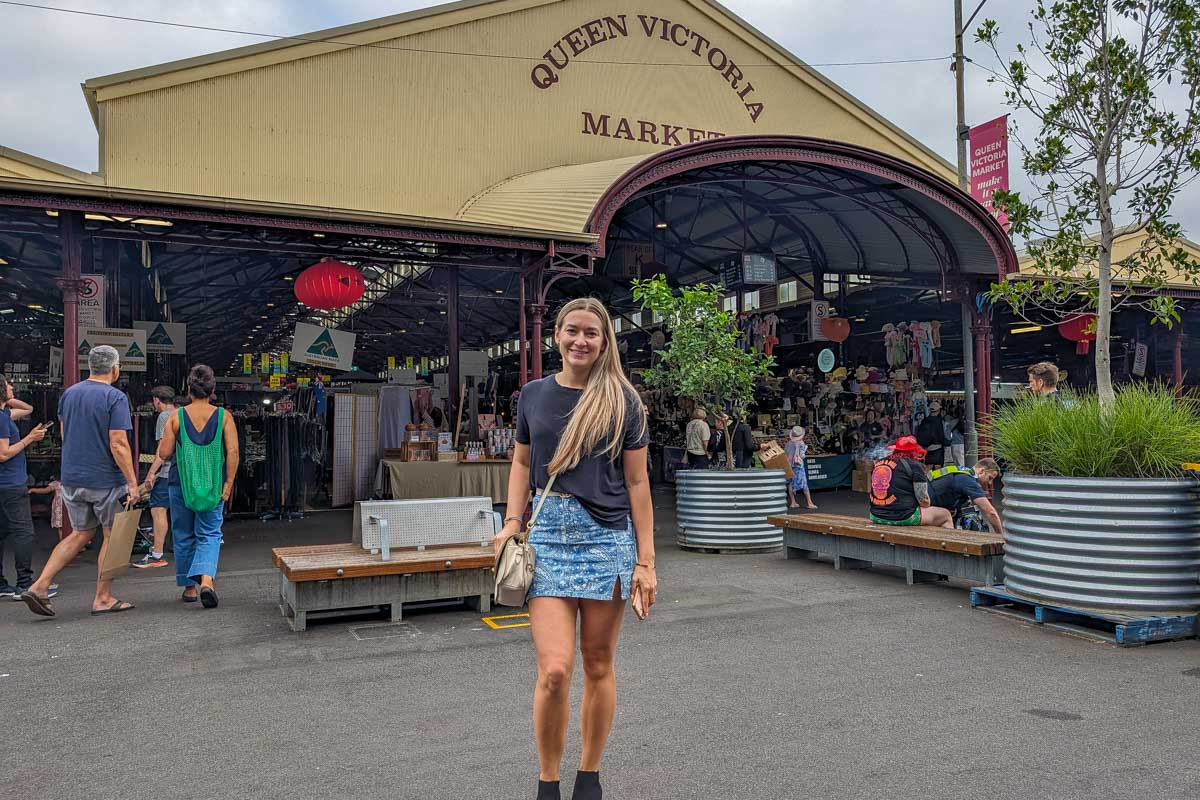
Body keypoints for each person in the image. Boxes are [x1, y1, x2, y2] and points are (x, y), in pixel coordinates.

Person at [493, 297, 654, 800]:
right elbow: (521, 464)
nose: (580, 340)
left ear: (605, 341)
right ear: (555, 336)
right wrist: (511, 520)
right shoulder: (533, 395)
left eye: (591, 333)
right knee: (555, 669)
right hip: (547, 541)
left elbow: (637, 482)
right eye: (571, 331)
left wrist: (646, 562)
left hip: (606, 538)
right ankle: (547, 781)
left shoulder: (623, 400)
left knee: (599, 663)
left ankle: (589, 777)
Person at [22, 346, 139, 617]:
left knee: (80, 533)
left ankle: (40, 585)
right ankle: (103, 597)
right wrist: (132, 482)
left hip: (73, 478)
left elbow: (65, 434)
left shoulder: (70, 394)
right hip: (105, 479)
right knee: (111, 535)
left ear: (90, 367)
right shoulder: (115, 397)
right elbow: (119, 443)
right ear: (115, 368)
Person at [155, 365, 239, 608]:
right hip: (213, 485)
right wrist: (229, 483)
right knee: (210, 534)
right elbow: (233, 451)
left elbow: (164, 452)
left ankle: (190, 588)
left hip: (180, 484)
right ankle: (207, 581)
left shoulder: (175, 417)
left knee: (183, 534)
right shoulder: (224, 417)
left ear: (189, 390)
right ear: (212, 391)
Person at [0, 374, 49, 600]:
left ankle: (1, 583)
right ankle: (24, 583)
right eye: (8, 385)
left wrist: (6, 399)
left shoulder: (5, 414)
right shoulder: (1, 419)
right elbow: (3, 453)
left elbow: (27, 408)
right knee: (23, 531)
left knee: (2, 532)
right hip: (10, 482)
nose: (12, 387)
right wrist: (30, 438)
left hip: (5, 483)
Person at [134, 386, 178, 569]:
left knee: (158, 509)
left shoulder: (164, 417)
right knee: (179, 511)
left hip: (167, 471)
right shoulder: (182, 413)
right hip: (182, 471)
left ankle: (157, 553)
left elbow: (163, 450)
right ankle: (181, 547)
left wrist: (151, 473)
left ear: (156, 400)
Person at [868, 435, 953, 529]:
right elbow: (923, 501)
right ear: (914, 452)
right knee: (946, 515)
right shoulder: (915, 466)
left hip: (875, 515)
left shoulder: (879, 463)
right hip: (903, 516)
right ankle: (946, 542)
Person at [929, 458, 1004, 535]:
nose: (990, 482)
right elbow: (991, 513)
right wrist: (1000, 536)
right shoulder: (968, 481)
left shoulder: (960, 471)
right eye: (990, 478)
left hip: (926, 506)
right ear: (982, 471)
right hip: (927, 511)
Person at [785, 426, 817, 510]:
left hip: (789, 465)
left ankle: (793, 502)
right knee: (804, 483)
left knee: (791, 483)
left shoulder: (788, 444)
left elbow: (785, 454)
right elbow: (802, 456)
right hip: (798, 465)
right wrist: (805, 450)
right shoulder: (801, 443)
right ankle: (809, 503)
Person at [916, 401, 950, 467]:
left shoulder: (924, 420)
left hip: (926, 448)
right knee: (938, 468)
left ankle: (927, 477)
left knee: (928, 467)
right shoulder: (938, 421)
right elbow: (941, 435)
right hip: (937, 448)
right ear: (938, 410)